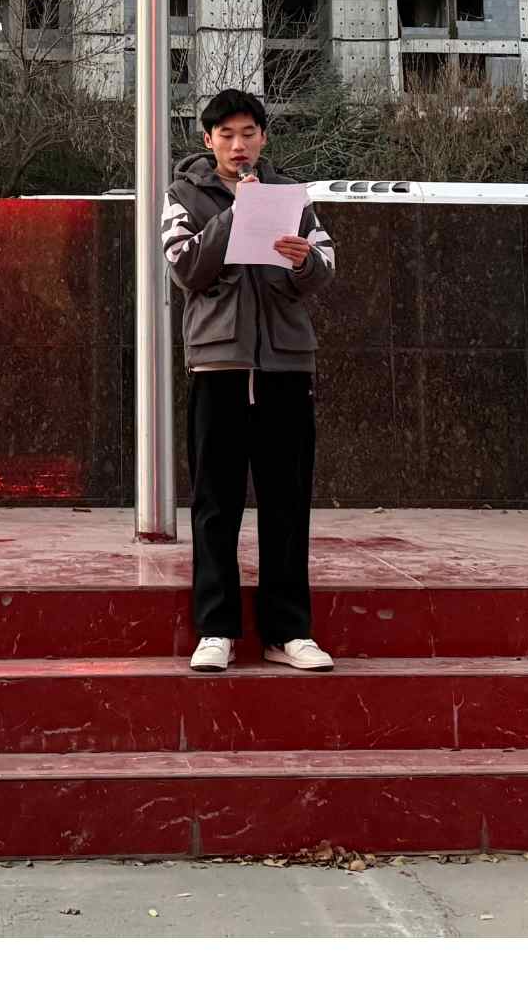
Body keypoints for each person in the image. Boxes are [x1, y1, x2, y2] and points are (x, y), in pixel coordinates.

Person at [163, 87, 338, 673]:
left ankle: (288, 632)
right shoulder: (183, 195)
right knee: (216, 503)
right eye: (227, 135)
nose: (238, 145)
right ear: (208, 139)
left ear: (263, 137)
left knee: (287, 502)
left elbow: (325, 266)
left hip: (287, 363)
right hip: (220, 365)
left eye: (248, 134)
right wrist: (236, 215)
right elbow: (185, 267)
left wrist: (302, 260)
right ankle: (216, 630)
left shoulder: (294, 197)